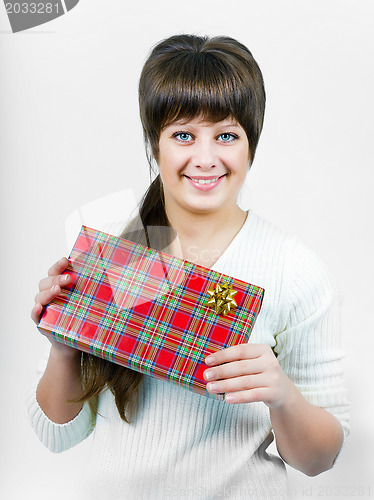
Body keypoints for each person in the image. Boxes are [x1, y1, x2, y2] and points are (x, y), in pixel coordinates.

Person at [28, 34, 350, 499]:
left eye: (226, 135)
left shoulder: (293, 267)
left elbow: (320, 460)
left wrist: (281, 394)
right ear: (154, 143)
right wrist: (63, 346)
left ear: (250, 144)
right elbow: (57, 435)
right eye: (183, 134)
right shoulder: (109, 247)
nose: (205, 159)